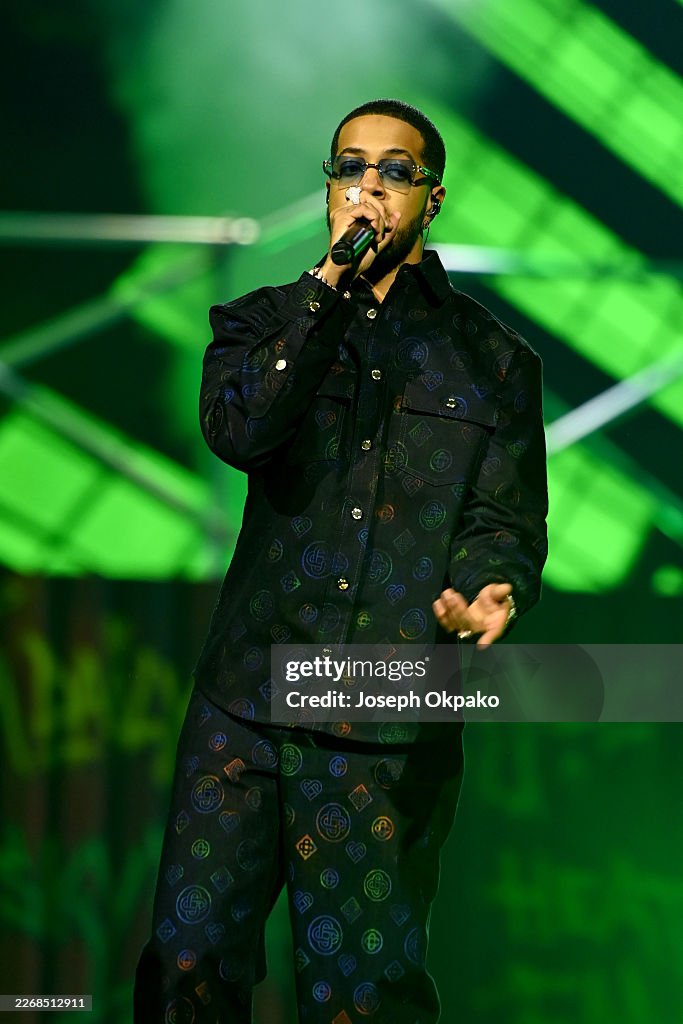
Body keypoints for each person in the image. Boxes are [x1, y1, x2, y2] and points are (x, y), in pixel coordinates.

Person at [134, 98, 548, 1024]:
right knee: (189, 968)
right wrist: (324, 286)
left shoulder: (491, 360)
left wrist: (492, 591)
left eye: (394, 170)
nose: (368, 184)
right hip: (243, 695)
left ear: (431, 198)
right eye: (348, 166)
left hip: (382, 706)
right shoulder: (261, 324)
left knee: (358, 995)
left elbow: (505, 520)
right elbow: (238, 430)